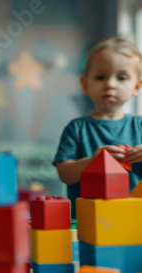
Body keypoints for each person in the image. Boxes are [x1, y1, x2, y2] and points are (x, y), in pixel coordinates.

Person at [54, 37, 142, 217]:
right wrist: (93, 161)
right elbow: (64, 173)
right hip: (89, 222)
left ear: (136, 87)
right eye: (101, 77)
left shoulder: (139, 126)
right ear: (85, 85)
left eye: (122, 78)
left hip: (134, 221)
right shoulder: (76, 128)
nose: (110, 84)